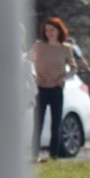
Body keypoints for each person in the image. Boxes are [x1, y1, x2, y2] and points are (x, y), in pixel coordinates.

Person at [29, 16, 74, 161]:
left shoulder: (65, 48)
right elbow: (27, 62)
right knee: (38, 123)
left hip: (56, 88)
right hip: (41, 88)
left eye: (52, 30)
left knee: (56, 124)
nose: (49, 33)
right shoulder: (39, 46)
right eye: (47, 30)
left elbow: (74, 67)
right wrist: (35, 76)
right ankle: (34, 155)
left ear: (58, 31)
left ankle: (53, 155)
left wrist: (64, 78)